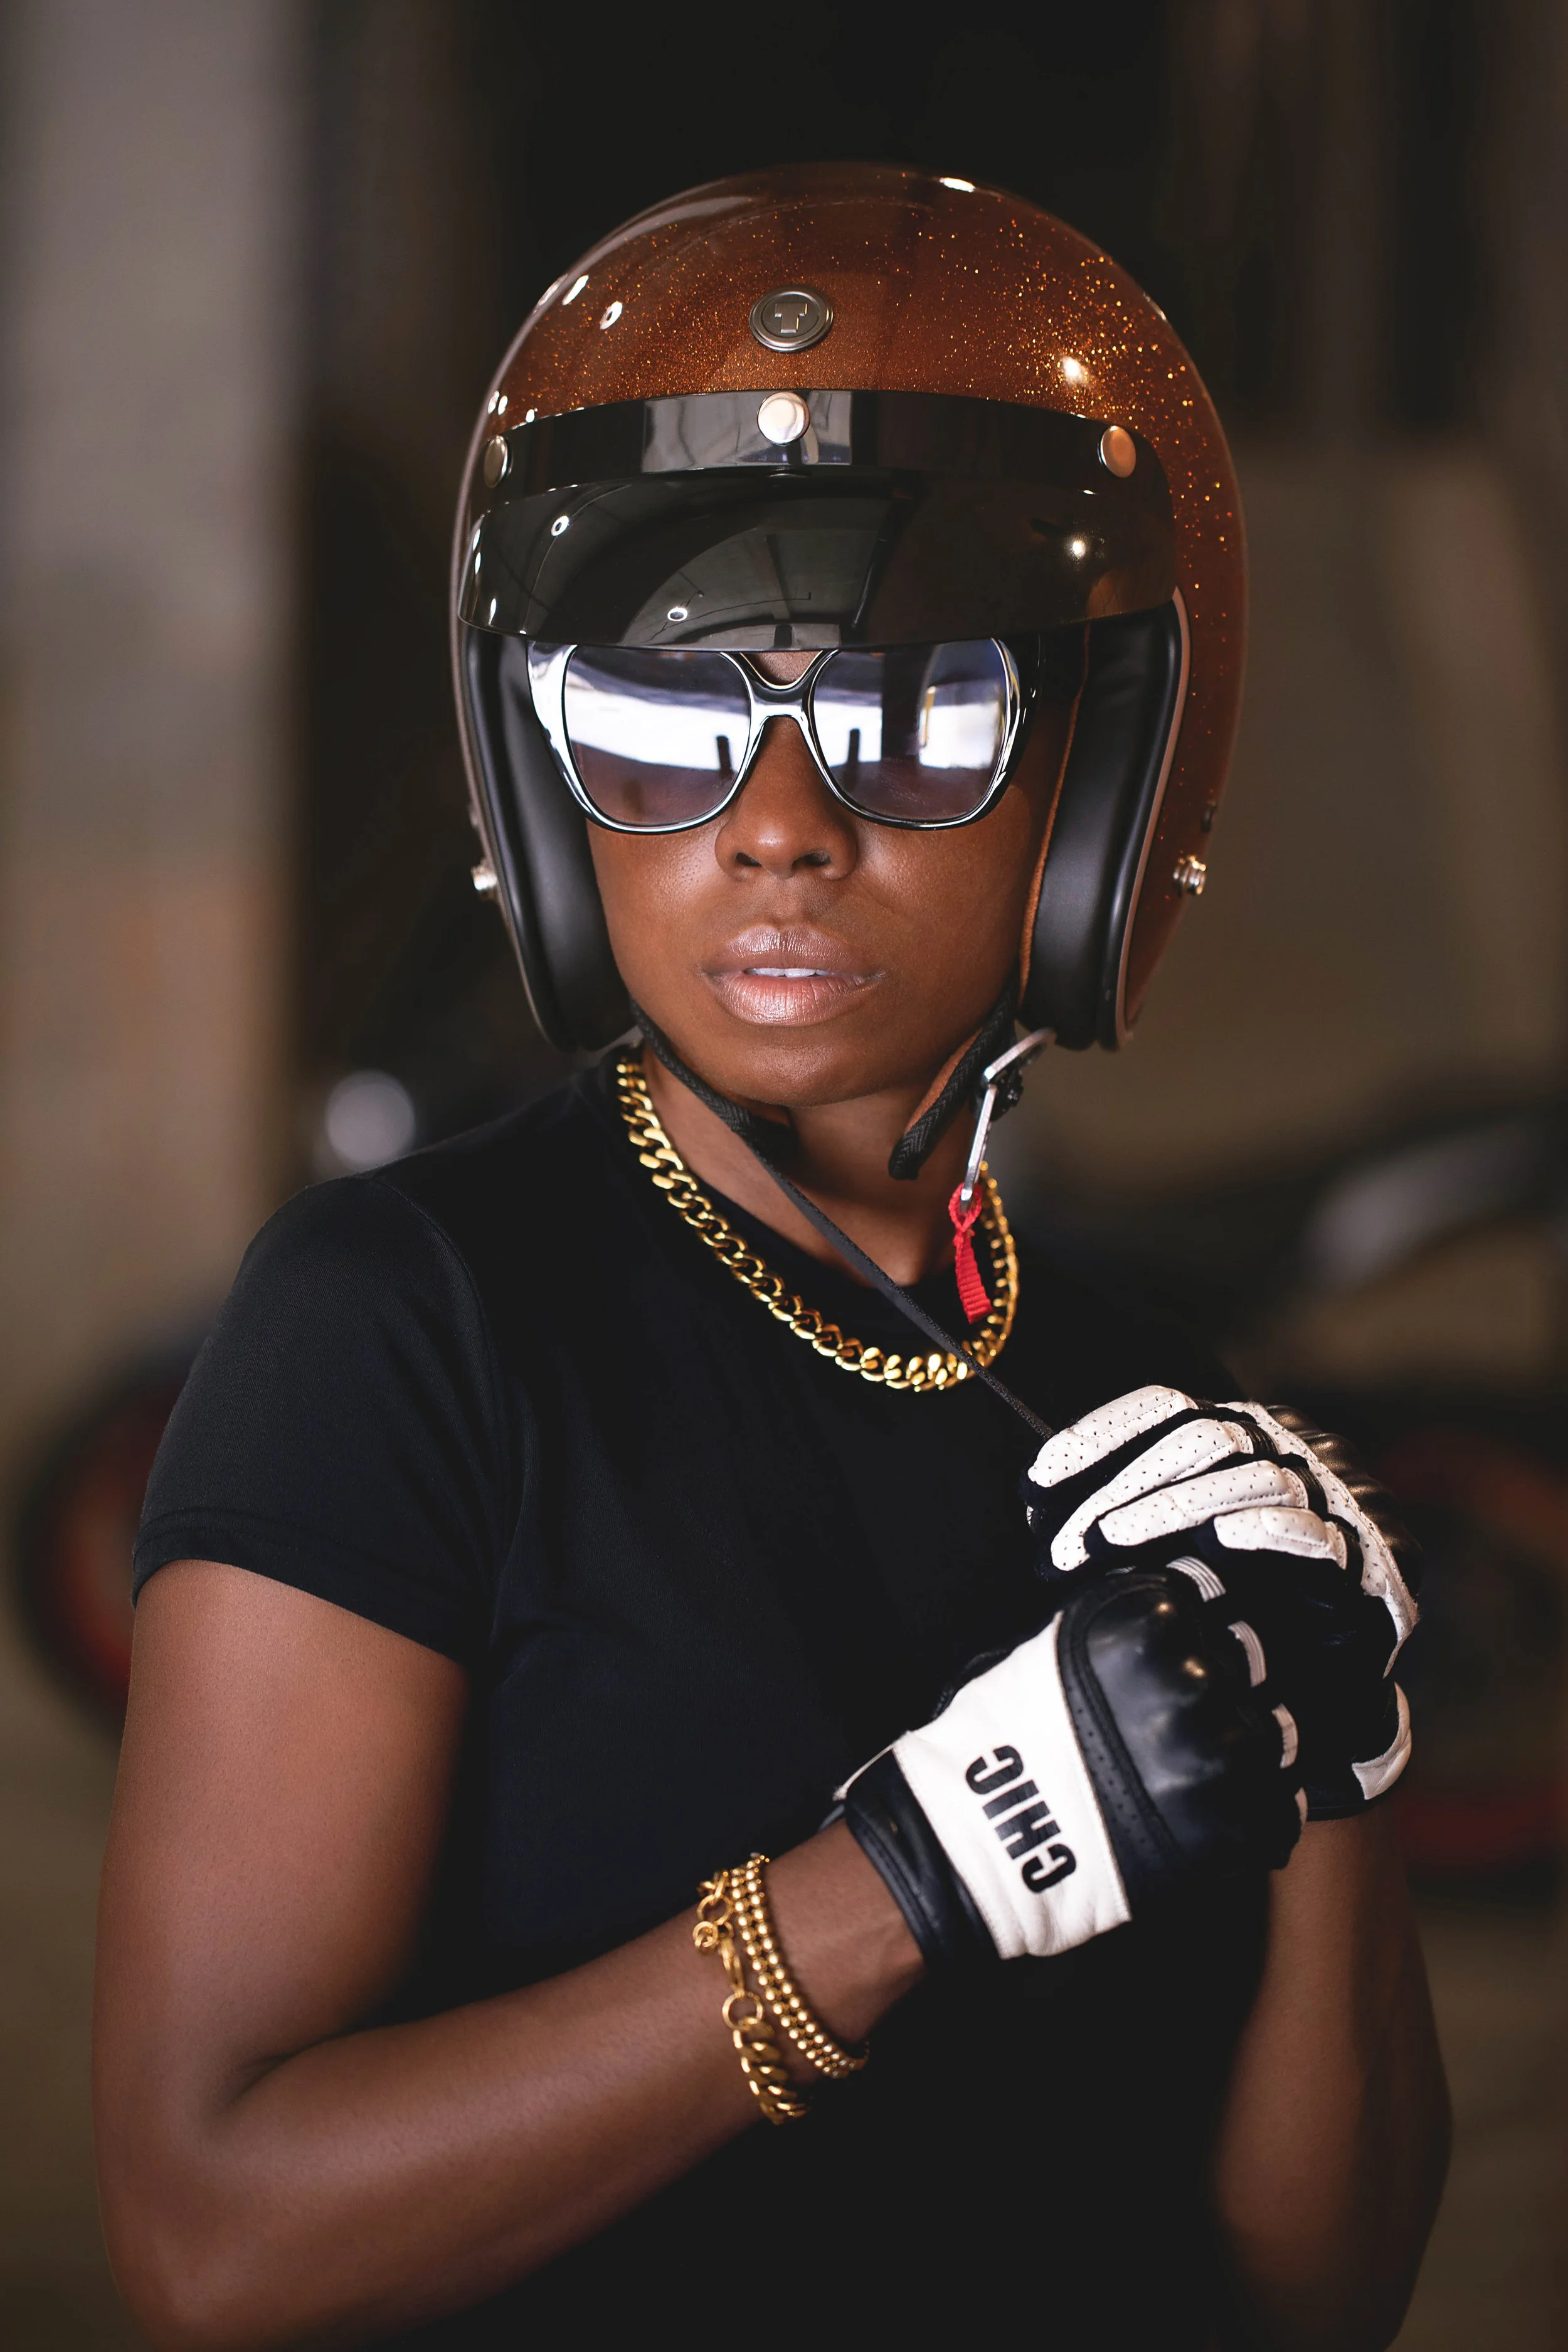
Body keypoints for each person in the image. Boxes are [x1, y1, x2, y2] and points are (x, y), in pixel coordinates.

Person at [95, 164, 1449, 2350]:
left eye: (920, 720)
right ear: (549, 798)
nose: (777, 819)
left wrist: (1334, 1777)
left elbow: (1317, 2288)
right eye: (663, 716)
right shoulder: (399, 1319)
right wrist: (911, 1877)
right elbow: (213, 2243)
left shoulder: (1168, 1415)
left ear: (1094, 791)